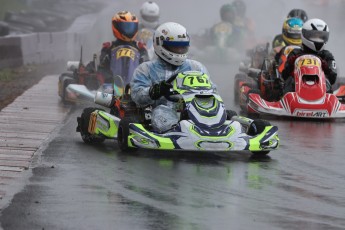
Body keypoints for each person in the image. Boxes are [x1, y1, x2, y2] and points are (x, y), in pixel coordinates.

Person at [130, 22, 214, 133]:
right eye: (175, 47)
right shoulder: (145, 69)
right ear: (161, 45)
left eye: (183, 47)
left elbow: (213, 91)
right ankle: (177, 131)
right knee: (160, 112)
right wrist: (154, 91)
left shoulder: (196, 67)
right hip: (164, 111)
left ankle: (213, 126)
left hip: (195, 110)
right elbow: (136, 95)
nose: (180, 51)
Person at [280, 18, 337, 93]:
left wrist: (326, 68)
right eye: (315, 36)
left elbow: (332, 79)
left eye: (321, 37)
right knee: (290, 80)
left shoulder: (327, 55)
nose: (318, 39)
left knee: (327, 81)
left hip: (322, 91)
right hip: (296, 91)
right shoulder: (295, 53)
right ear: (305, 35)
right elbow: (284, 76)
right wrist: (291, 64)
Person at [98, 11, 149, 83]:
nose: (128, 31)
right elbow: (102, 68)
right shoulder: (109, 48)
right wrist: (109, 79)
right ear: (116, 27)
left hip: (135, 87)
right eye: (126, 27)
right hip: (112, 87)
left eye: (131, 27)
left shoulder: (140, 48)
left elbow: (147, 68)